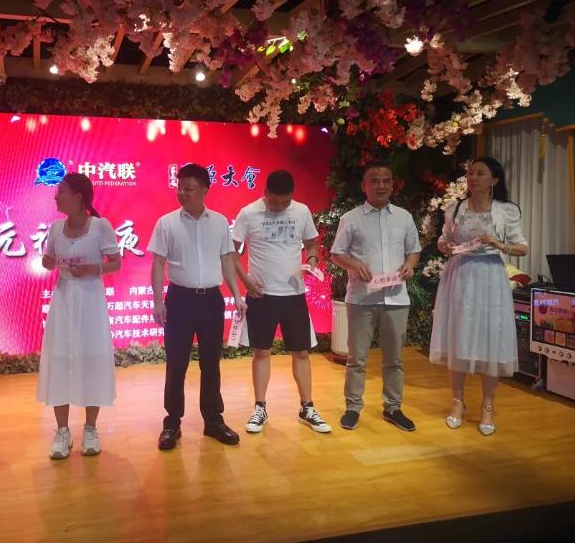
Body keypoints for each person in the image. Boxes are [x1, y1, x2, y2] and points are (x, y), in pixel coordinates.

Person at [149, 163, 248, 451]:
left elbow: (227, 260)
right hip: (179, 300)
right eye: (179, 188)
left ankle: (213, 421)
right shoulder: (166, 223)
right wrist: (158, 302)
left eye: (189, 188)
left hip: (211, 301)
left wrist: (237, 295)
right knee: (176, 363)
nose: (182, 193)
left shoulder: (219, 222)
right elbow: (158, 264)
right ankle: (172, 422)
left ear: (205, 190)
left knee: (211, 363)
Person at [429, 157, 528, 436]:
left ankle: (487, 406)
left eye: (480, 173)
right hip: (460, 275)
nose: (473, 178)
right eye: (471, 173)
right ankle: (457, 402)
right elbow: (443, 239)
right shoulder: (455, 208)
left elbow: (522, 247)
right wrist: (445, 246)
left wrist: (500, 244)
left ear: (494, 180)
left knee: (490, 339)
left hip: (490, 278)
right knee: (458, 336)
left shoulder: (506, 210)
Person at [231, 170, 332, 434]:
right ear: (265, 192)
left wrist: (312, 260)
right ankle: (260, 407)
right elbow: (230, 252)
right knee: (261, 352)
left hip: (294, 294)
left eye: (284, 202)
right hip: (261, 294)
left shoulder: (301, 211)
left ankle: (307, 407)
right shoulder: (248, 213)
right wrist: (245, 279)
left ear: (292, 196)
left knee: (301, 352)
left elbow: (312, 244)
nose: (278, 207)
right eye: (274, 202)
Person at [330, 160, 421, 432]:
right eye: (375, 181)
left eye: (386, 181)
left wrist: (410, 265)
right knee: (356, 359)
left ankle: (393, 408)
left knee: (394, 359)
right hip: (362, 298)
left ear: (392, 185)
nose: (381, 186)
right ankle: (352, 407)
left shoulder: (403, 217)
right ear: (364, 186)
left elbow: (414, 250)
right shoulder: (351, 218)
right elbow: (336, 253)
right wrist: (354, 264)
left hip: (396, 298)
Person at [38, 173, 121, 459]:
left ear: (78, 197)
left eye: (61, 191)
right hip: (63, 301)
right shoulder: (55, 228)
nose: (56, 196)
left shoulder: (100, 226)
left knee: (92, 358)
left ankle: (90, 429)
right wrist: (48, 262)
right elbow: (49, 261)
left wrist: (93, 269)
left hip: (90, 301)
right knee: (60, 358)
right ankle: (62, 431)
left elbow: (116, 263)